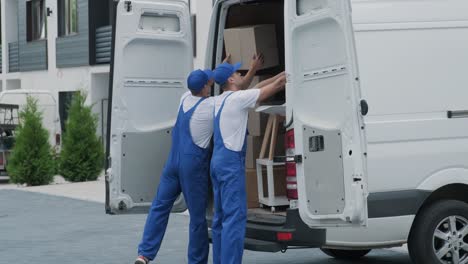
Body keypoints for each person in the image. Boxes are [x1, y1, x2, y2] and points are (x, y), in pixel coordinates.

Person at [210, 58, 287, 264]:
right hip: (229, 166)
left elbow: (258, 87)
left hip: (217, 163)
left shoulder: (220, 100)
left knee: (220, 220)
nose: (241, 75)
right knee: (234, 220)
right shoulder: (237, 100)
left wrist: (281, 73)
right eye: (237, 73)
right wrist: (292, 74)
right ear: (231, 79)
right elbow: (274, 88)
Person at [135, 69, 215, 264]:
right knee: (197, 219)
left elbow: (204, 82)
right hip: (192, 167)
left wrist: (211, 76)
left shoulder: (184, 98)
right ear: (205, 86)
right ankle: (196, 262)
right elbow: (235, 99)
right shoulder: (209, 107)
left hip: (173, 163)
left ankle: (144, 254)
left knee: (159, 207)